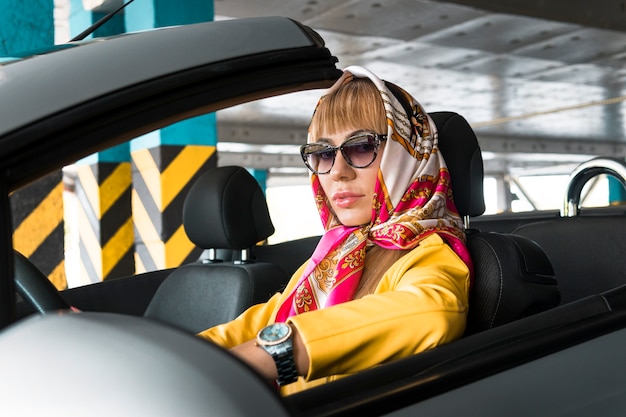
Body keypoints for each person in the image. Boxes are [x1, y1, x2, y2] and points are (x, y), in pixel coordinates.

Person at [198, 66, 473, 396]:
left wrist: (274, 354)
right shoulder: (336, 252)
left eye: (361, 147)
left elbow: (434, 312)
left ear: (408, 155)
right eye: (324, 153)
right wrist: (179, 356)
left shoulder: (429, 252)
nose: (338, 172)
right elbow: (265, 321)